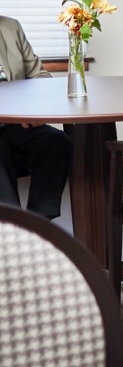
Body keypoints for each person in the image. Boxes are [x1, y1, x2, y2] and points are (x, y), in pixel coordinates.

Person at [0, 15, 72, 219]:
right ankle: (10, 229)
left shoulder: (10, 27)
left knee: (56, 143)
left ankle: (39, 224)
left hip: (15, 124)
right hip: (9, 120)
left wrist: (32, 107)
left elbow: (39, 76)